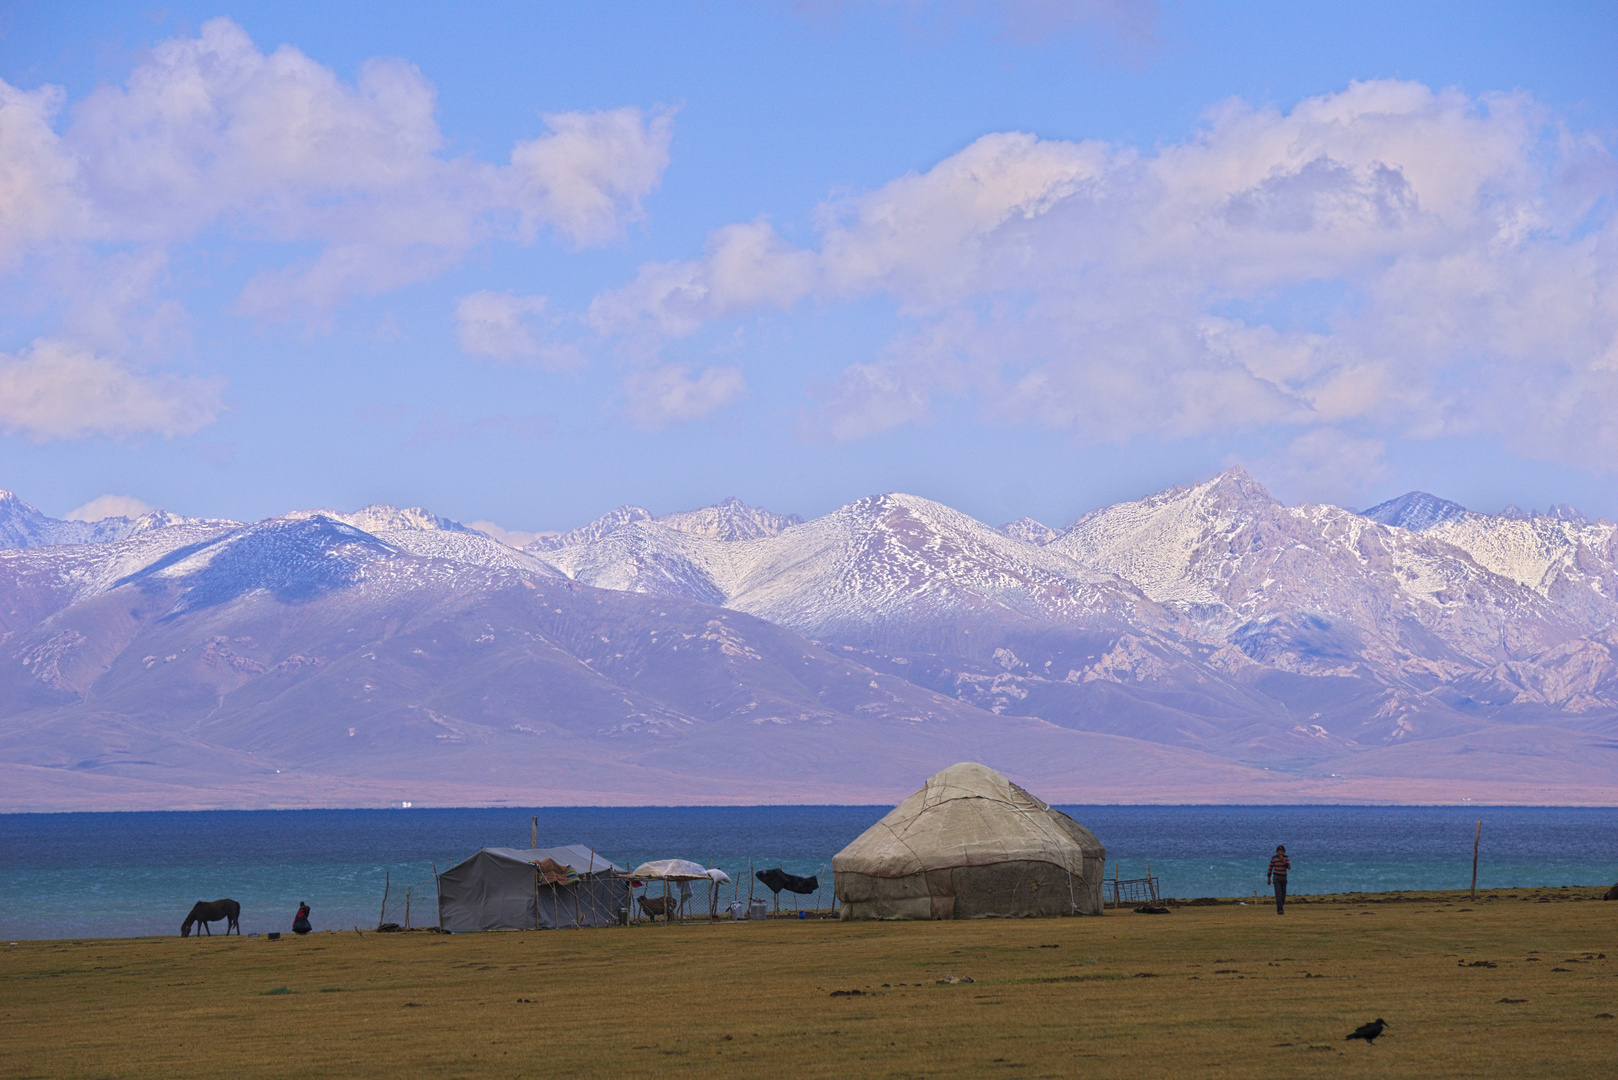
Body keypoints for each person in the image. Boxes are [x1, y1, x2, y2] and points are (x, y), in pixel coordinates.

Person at [1266, 846, 1290, 914]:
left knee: (1283, 894)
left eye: (1281, 851)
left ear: (1284, 852)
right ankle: (1280, 909)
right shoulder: (1274, 858)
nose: (1280, 852)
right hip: (1276, 877)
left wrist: (1283, 860)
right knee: (1278, 894)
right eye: (1279, 851)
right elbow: (1270, 868)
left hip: (1284, 877)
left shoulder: (1286, 858)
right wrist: (1268, 878)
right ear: (1276, 852)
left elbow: (1288, 867)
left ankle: (1281, 907)